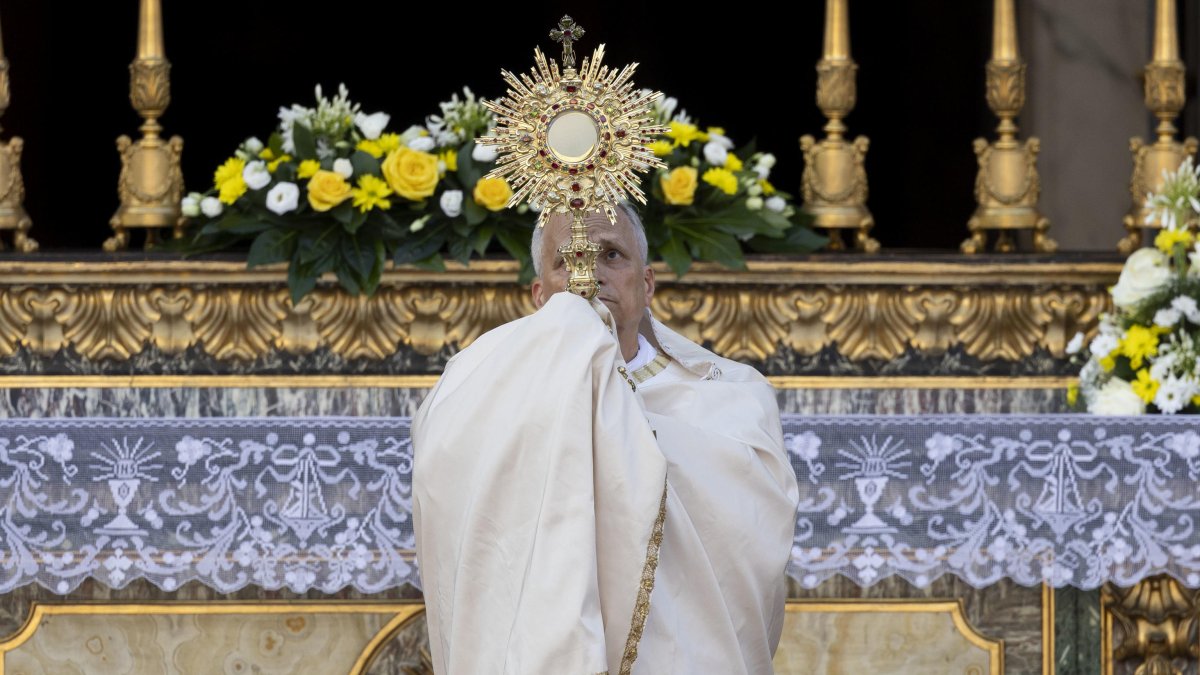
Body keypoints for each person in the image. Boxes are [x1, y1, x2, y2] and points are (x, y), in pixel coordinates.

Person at [412, 203, 799, 674]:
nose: (588, 276)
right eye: (566, 260)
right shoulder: (483, 389)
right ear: (540, 295)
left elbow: (749, 540)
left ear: (647, 283)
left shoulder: (733, 397)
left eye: (611, 255)